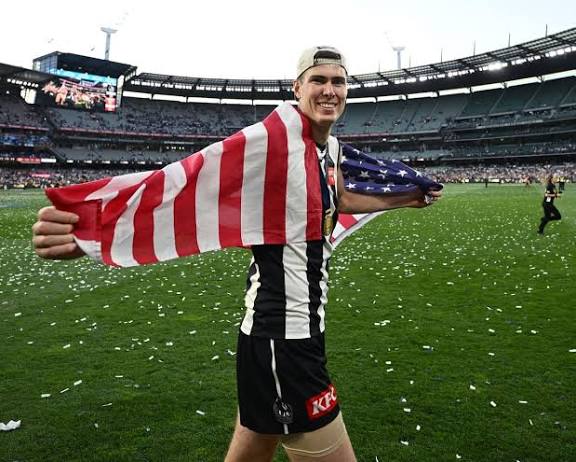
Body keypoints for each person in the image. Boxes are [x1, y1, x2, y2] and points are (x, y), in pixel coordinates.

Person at [32, 46, 442, 461]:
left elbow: (340, 199)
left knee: (255, 445)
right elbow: (187, 183)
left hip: (298, 330)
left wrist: (405, 198)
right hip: (283, 337)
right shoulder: (271, 142)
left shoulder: (328, 151)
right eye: (318, 80)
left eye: (338, 81)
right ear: (297, 88)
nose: (329, 90)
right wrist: (93, 232)